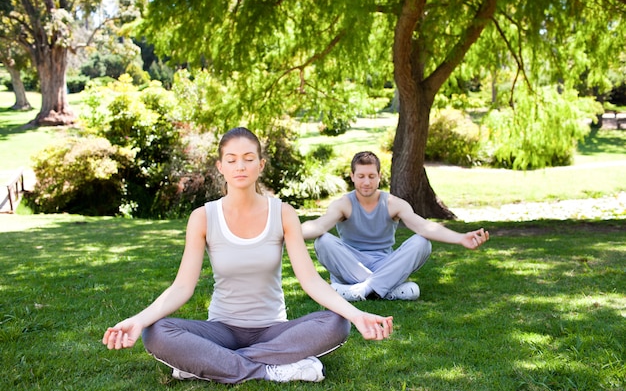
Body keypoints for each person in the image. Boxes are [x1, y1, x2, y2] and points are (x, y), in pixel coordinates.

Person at [102, 128, 393, 384]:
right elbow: (182, 287)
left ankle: (209, 364)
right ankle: (270, 370)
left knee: (336, 323)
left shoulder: (283, 213)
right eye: (231, 159)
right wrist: (138, 320)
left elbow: (311, 281)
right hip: (222, 330)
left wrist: (356, 314)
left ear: (260, 164)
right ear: (220, 166)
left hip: (274, 332)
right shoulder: (203, 217)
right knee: (155, 332)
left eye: (248, 158)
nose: (240, 165)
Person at [301, 151, 490, 302]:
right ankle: (386, 289)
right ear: (352, 176)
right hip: (351, 263)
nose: (366, 182)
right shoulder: (343, 204)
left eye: (371, 176)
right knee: (323, 241)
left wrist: (460, 238)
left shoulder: (393, 203)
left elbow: (424, 227)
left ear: (379, 176)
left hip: (385, 264)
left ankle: (358, 290)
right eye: (361, 176)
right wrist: (285, 232)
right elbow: (318, 226)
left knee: (422, 242)